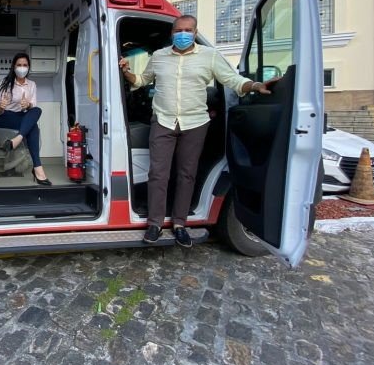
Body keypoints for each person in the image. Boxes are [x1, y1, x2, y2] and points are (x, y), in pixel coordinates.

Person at [118, 15, 276, 247]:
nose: (182, 34)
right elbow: (142, 80)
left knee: (186, 174)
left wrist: (255, 85)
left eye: (188, 30)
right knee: (158, 174)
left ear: (195, 31)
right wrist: (127, 72)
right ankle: (155, 224)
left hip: (195, 124)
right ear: (172, 33)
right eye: (178, 30)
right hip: (163, 121)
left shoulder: (209, 56)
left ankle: (180, 224)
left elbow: (232, 80)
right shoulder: (159, 56)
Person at [0, 53, 51, 186]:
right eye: (19, 65)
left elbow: (33, 106)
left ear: (28, 67)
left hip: (20, 117)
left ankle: (17, 139)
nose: (22, 68)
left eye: (25, 65)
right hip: (4, 117)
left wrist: (28, 105)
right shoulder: (5, 83)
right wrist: (1, 106)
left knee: (37, 110)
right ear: (14, 67)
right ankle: (38, 170)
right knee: (33, 127)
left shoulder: (32, 85)